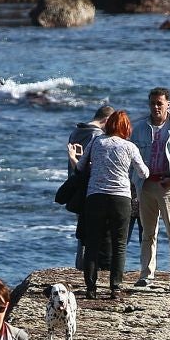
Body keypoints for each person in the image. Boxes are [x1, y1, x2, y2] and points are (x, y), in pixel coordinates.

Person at [76, 109, 148, 299]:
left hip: (95, 197)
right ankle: (115, 287)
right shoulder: (129, 147)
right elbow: (143, 173)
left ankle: (91, 287)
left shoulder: (96, 141)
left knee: (92, 243)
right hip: (121, 199)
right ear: (126, 127)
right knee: (119, 244)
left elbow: (80, 166)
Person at [131, 87, 170, 293]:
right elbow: (132, 158)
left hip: (169, 186)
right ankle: (146, 275)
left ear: (168, 104)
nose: (156, 107)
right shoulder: (138, 128)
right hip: (146, 185)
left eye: (159, 103)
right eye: (153, 103)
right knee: (148, 233)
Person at [65, 105, 113, 270]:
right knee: (94, 233)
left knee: (82, 232)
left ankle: (81, 266)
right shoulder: (97, 135)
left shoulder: (77, 131)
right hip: (92, 189)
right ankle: (88, 268)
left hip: (76, 187)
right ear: (106, 120)